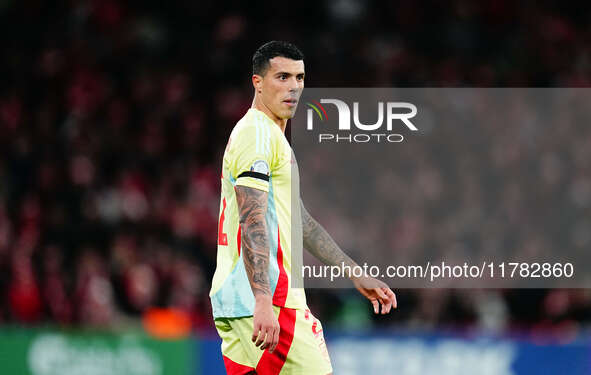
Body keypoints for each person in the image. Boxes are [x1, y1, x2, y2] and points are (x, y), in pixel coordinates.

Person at [210, 40, 397, 375]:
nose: (294, 87)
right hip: (271, 301)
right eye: (282, 77)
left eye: (300, 78)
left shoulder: (269, 137)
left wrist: (354, 272)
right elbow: (252, 219)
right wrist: (264, 301)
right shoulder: (258, 134)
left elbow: (301, 222)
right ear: (257, 82)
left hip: (239, 301)